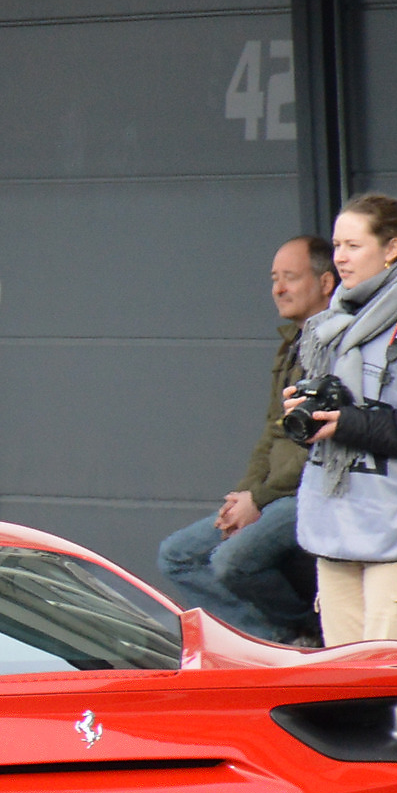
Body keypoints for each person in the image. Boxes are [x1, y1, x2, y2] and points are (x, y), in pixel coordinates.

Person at [287, 196, 397, 654]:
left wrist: (349, 423)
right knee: (344, 681)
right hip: (335, 527)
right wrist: (309, 415)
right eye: (336, 246)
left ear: (392, 249)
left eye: (353, 245)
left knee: (395, 677)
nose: (340, 258)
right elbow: (330, 430)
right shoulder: (329, 326)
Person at [157, 237, 335, 643]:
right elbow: (273, 432)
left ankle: (306, 634)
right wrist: (244, 496)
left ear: (326, 283)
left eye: (290, 277)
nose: (278, 289)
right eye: (274, 279)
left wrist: (260, 499)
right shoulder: (292, 344)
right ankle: (277, 640)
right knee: (176, 556)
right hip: (273, 494)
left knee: (230, 561)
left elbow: (316, 449)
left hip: (311, 492)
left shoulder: (334, 347)